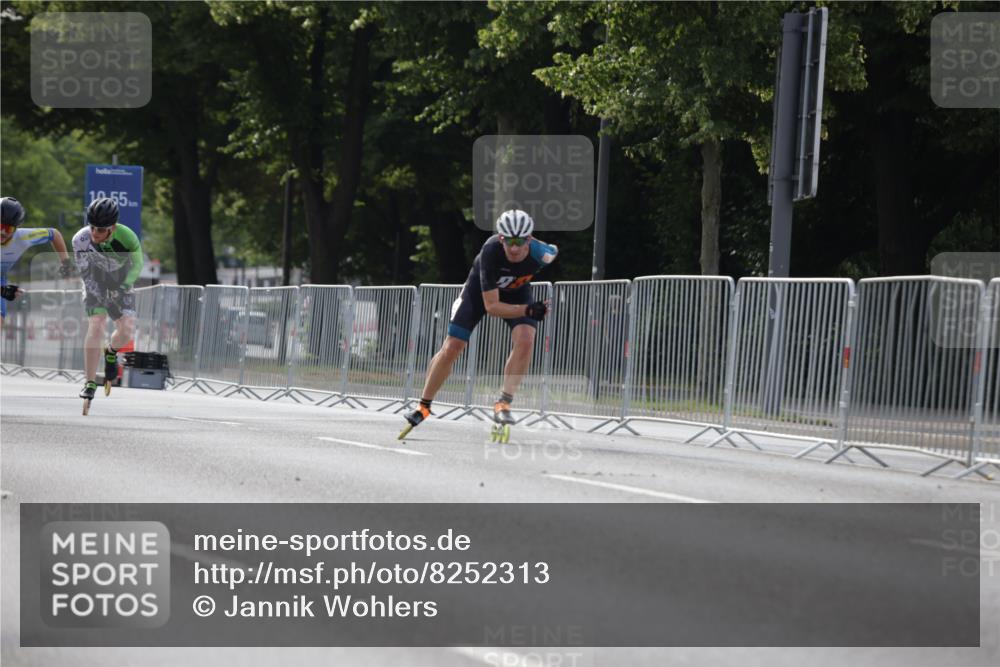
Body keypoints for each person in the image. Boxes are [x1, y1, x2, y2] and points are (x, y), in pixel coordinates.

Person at [400, 209, 558, 437]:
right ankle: (423, 406)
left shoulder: (543, 254)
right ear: (501, 238)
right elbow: (492, 306)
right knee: (453, 346)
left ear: (529, 239)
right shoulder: (491, 251)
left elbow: (554, 250)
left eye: (520, 241)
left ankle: (503, 403)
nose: (514, 247)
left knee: (526, 340)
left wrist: (535, 306)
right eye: (508, 240)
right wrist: (528, 309)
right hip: (480, 294)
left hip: (517, 293)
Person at [72, 197, 144, 400]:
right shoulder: (80, 240)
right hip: (95, 281)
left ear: (112, 228)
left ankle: (111, 352)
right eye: (92, 227)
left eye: (101, 230)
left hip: (122, 281)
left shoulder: (127, 236)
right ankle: (89, 382)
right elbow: (85, 274)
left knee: (127, 329)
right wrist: (105, 301)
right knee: (96, 323)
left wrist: (121, 290)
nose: (95, 233)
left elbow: (138, 264)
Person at [1, 196, 74, 324]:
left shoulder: (24, 237)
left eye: (8, 229)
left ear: (16, 228)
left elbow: (54, 234)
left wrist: (66, 266)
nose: (2, 232)